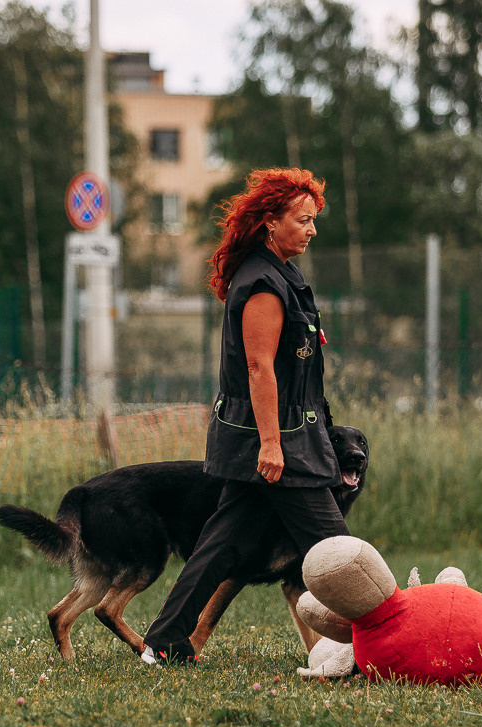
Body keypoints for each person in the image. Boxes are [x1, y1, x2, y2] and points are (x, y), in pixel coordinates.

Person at [140, 167, 349, 664]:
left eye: (314, 220)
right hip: (278, 444)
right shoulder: (262, 285)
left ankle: (163, 642)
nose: (312, 230)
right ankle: (388, 643)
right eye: (303, 220)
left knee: (221, 543)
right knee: (343, 554)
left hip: (282, 438)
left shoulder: (279, 274)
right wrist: (272, 445)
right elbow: (259, 368)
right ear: (270, 222)